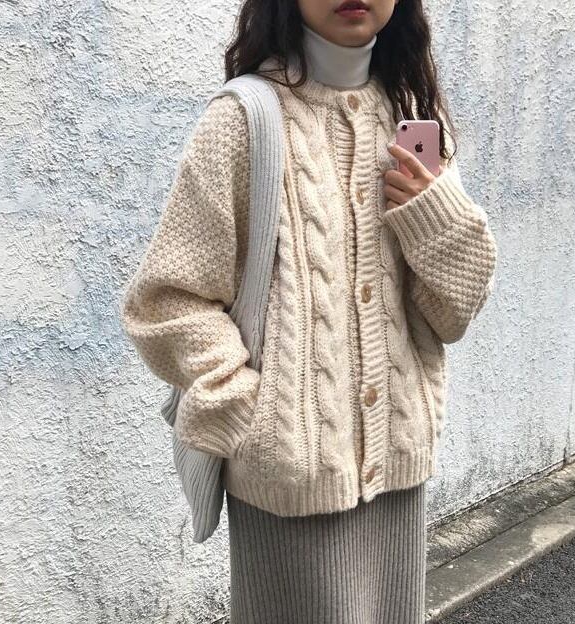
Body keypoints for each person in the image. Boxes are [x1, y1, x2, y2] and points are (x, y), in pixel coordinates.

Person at [120, 0, 498, 622]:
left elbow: (452, 313)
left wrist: (436, 215)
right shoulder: (244, 121)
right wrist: (250, 409)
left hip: (399, 480)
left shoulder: (412, 120)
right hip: (286, 485)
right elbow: (166, 299)